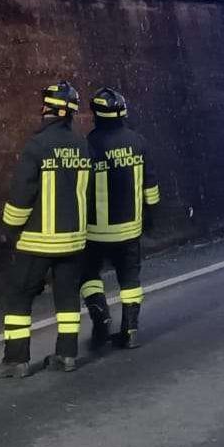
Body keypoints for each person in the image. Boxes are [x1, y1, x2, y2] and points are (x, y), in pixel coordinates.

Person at [0, 81, 94, 377]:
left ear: (48, 109)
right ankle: (66, 355)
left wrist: (9, 228)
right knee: (67, 296)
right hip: (74, 240)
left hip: (38, 241)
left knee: (19, 296)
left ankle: (15, 360)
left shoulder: (37, 145)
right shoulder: (81, 144)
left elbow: (22, 194)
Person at [80, 88, 161, 349]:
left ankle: (101, 318)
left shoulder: (89, 144)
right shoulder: (138, 141)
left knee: (89, 274)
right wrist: (151, 217)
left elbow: (80, 188)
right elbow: (150, 186)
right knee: (130, 280)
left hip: (95, 232)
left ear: (97, 115)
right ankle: (131, 330)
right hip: (130, 229)